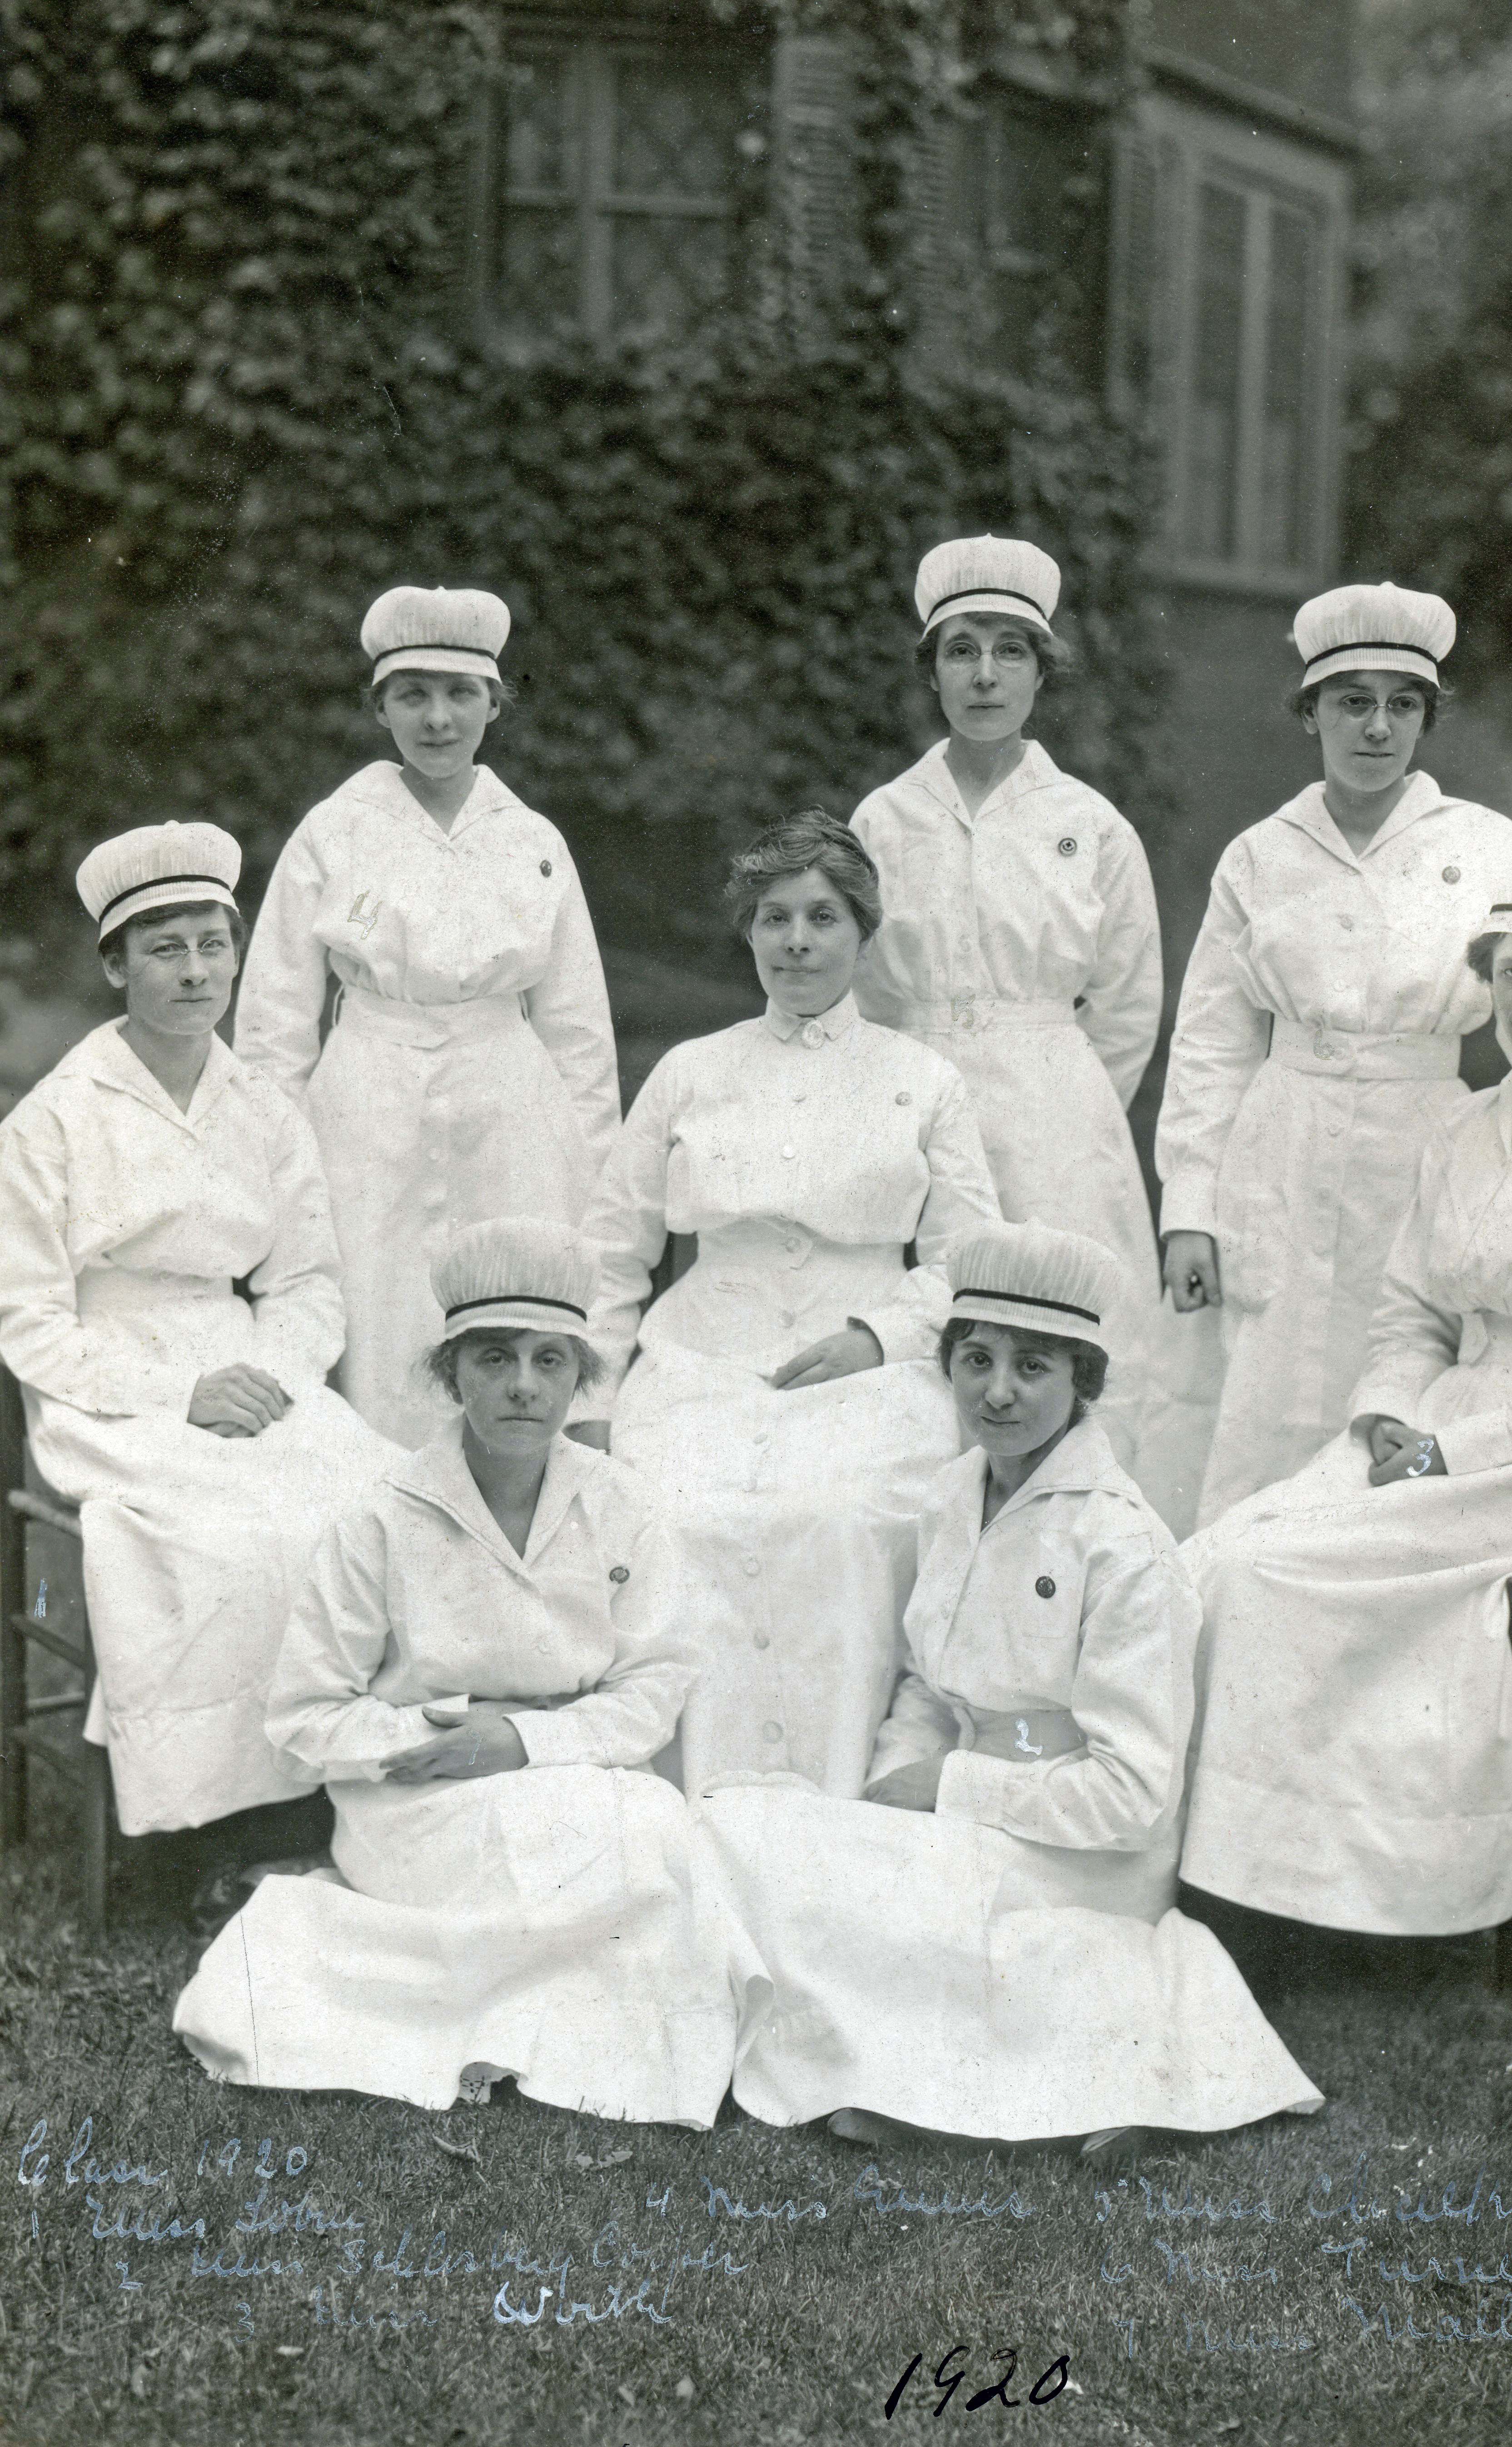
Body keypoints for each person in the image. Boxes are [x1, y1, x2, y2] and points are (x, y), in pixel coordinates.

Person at [1178, 850, 1512, 1940]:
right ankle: (1244, 1863)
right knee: (1228, 1548)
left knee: (1284, 1568)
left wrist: (1451, 1458)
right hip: (1440, 1418)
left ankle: (1348, 1880)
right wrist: (1386, 1417)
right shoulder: (1463, 1129)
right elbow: (1412, 1310)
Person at [698, 1223, 1323, 2146]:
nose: (997, 1392)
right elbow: (924, 1683)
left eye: (1033, 1368)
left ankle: (938, 2053)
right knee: (735, 1823)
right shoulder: (952, 1497)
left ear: (1083, 1385)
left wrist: (953, 1787)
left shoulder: (1122, 1546)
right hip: (965, 1823)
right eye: (977, 1360)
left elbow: (1135, 1796)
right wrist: (890, 1791)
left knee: (803, 1879)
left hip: (1078, 1864)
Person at [173, 1220, 734, 2122]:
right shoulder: (382, 1518)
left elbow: (655, 1686)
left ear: (581, 1377)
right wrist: (428, 1742)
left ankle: (520, 2020)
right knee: (625, 1871)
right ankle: (505, 2018)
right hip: (420, 1805)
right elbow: (306, 1715)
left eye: (552, 1361)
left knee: (660, 1836)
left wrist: (519, 1740)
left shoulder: (623, 1505)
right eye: (496, 1358)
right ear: (452, 1373)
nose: (523, 1386)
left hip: (573, 1773)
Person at [578, 808, 1000, 1798]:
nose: (798, 942)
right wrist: (594, 1404)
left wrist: (881, 1336)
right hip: (698, 1361)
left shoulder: (923, 1080)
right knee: (675, 1520)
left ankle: (841, 1802)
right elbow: (611, 1250)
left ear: (863, 933)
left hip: (869, 1367)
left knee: (845, 1521)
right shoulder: (693, 1071)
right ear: (749, 931)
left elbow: (969, 1262)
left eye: (822, 918)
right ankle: (684, 1805)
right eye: (775, 918)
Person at [0, 823, 393, 1840]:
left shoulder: (262, 1105)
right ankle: (210, 1817)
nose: (194, 971)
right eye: (165, 948)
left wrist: (269, 1373)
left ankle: (347, 1785)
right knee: (220, 1534)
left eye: (213, 944)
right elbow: (28, 1321)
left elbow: (307, 1279)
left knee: (375, 1502)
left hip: (247, 1361)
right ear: (116, 964)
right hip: (108, 1381)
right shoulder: (51, 1120)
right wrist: (178, 1397)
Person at [1155, 581, 1512, 1528]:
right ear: (1311, 712)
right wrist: (1190, 1211)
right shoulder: (1260, 856)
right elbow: (1210, 1042)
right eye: (1352, 702)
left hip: (1422, 1152)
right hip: (1280, 1153)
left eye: (1402, 704)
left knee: (1402, 1393)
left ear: (1426, 719)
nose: (1377, 728)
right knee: (1265, 1408)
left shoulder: (1486, 849)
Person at [850, 536, 1202, 1526]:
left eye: (1011, 650)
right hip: (918, 1107)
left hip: (1059, 1123)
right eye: (963, 650)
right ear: (934, 670)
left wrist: (1064, 1097)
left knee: (1067, 1357)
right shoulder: (884, 821)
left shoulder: (1090, 826)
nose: (986, 674)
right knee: (935, 1351)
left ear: (1043, 671)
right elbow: (867, 989)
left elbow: (1129, 1005)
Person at [234, 585, 621, 1448]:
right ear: (380, 707)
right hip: (368, 1101)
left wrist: (592, 1187)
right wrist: (277, 1168)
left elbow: (579, 1032)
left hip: (508, 1103)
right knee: (377, 1310)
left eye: (460, 694)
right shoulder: (334, 832)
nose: (438, 718)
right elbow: (275, 1022)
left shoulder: (533, 840)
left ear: (493, 703)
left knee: (507, 1312)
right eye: (412, 695)